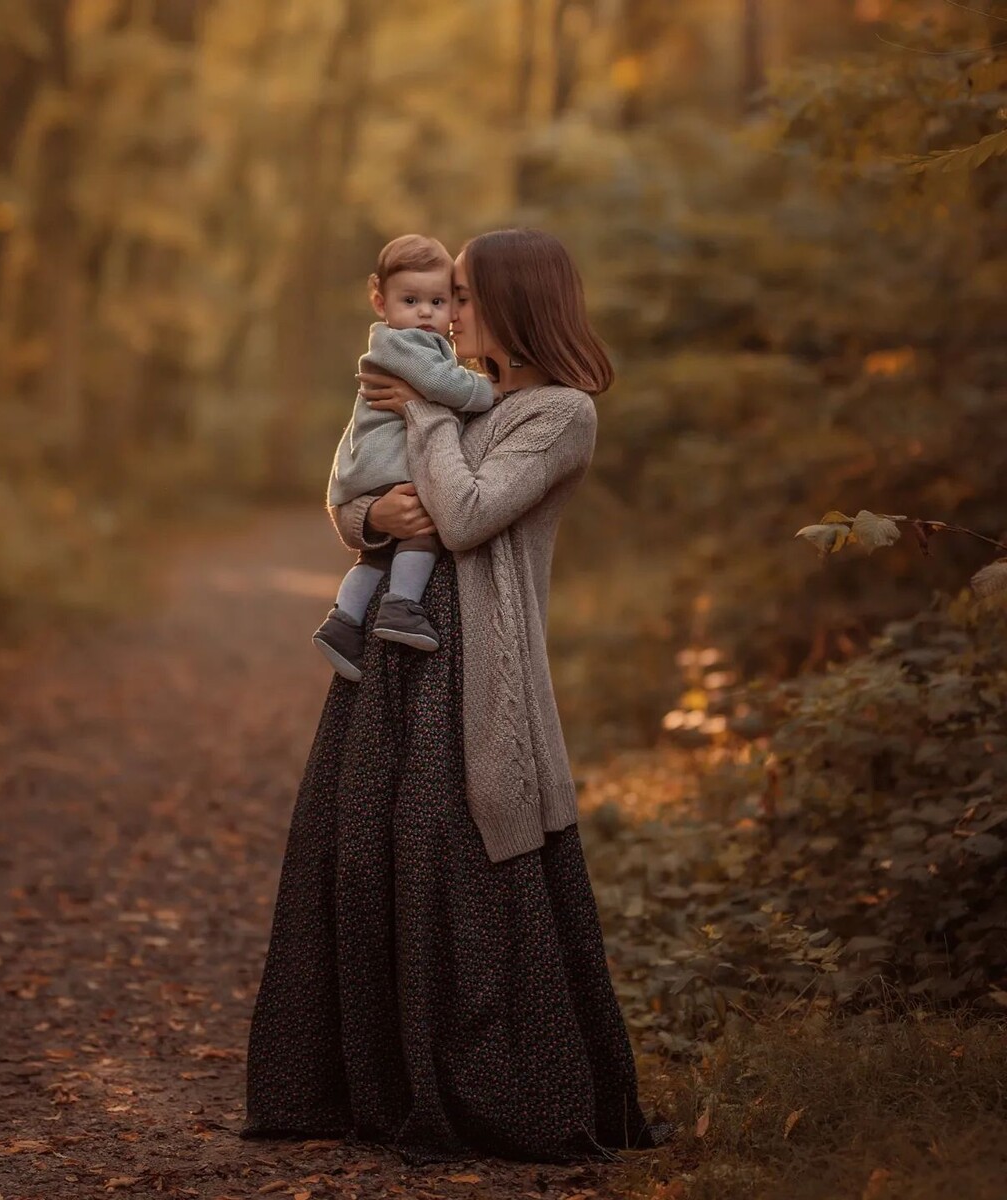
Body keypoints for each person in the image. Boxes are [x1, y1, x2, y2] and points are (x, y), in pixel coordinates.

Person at [241, 228, 674, 1166]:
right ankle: (366, 1089)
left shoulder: (559, 414)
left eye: (467, 294)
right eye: (445, 294)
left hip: (475, 672)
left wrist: (429, 417)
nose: (447, 309)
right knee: (361, 848)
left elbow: (470, 514)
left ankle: (495, 1091)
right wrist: (369, 516)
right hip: (390, 652)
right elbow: (364, 486)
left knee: (458, 857)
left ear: (517, 305)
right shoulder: (452, 386)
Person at [312, 234, 495, 682]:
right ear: (380, 300)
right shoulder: (401, 344)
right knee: (421, 533)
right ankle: (401, 607)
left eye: (438, 300)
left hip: (376, 467)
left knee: (374, 559)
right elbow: (446, 387)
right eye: (410, 300)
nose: (426, 312)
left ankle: (342, 622)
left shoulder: (412, 342)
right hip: (389, 464)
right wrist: (489, 391)